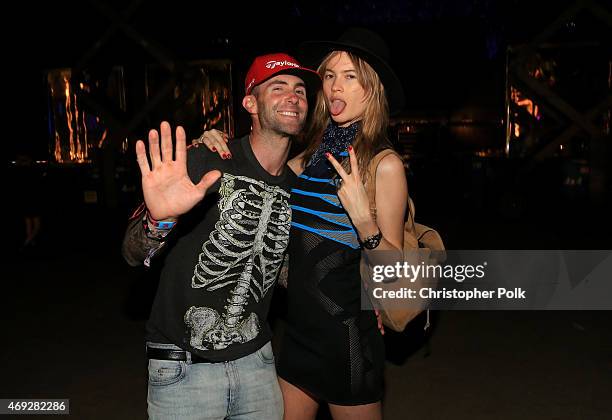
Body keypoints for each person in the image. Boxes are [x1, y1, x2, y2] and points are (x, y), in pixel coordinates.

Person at [196, 28, 408, 419]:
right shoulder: (310, 154)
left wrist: (366, 225)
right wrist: (213, 141)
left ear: (372, 89)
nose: (335, 87)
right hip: (297, 337)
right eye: (329, 76)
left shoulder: (385, 164)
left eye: (350, 76)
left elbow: (395, 275)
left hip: (346, 340)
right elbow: (261, 168)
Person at [121, 52, 321, 419]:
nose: (294, 97)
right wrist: (158, 222)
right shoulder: (207, 159)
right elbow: (133, 252)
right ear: (250, 103)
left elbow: (289, 275)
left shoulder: (299, 191)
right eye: (278, 88)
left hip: (258, 366)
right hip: (182, 370)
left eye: (301, 91)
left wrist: (357, 299)